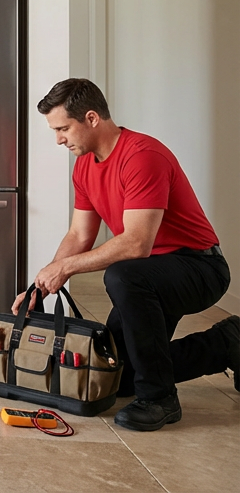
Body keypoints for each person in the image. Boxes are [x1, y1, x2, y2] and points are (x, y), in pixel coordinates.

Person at [15, 78, 239, 431]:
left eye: (63, 128)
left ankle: (159, 398)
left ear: (91, 118)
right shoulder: (85, 166)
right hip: (149, 274)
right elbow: (79, 235)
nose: (58, 139)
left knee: (122, 275)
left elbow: (137, 244)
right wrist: (41, 285)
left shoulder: (142, 156)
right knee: (115, 373)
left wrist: (67, 268)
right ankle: (227, 343)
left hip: (199, 266)